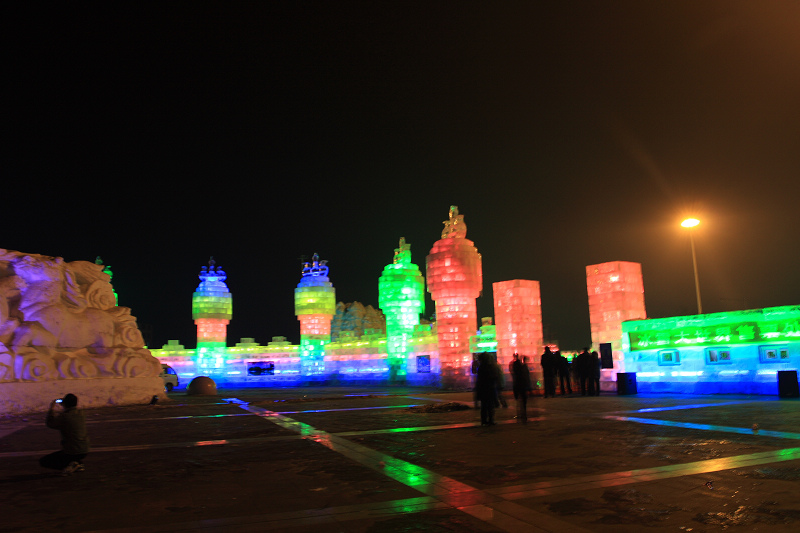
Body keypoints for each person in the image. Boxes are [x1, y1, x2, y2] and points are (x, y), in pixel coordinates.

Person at [40, 393, 90, 475]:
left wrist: (51, 408)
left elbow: (50, 423)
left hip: (72, 451)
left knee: (44, 461)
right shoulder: (82, 413)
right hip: (85, 449)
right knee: (68, 454)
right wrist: (65, 404)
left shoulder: (64, 417)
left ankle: (70, 465)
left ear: (65, 404)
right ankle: (78, 463)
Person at [475, 352, 498, 426]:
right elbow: (493, 377)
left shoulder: (481, 367)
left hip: (484, 390)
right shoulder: (489, 367)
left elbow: (479, 380)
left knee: (484, 406)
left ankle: (484, 420)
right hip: (489, 389)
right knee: (490, 406)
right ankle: (490, 420)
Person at [510, 353, 531, 422]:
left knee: (518, 400)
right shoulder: (523, 369)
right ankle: (523, 413)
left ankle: (519, 413)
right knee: (523, 401)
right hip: (522, 386)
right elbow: (526, 377)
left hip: (517, 386)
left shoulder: (515, 372)